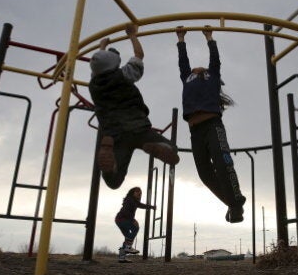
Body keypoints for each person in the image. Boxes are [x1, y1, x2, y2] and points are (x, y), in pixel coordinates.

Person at [89, 23, 180, 189]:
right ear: (114, 65)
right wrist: (132, 35)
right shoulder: (123, 75)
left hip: (114, 135)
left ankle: (112, 168)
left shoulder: (93, 84)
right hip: (138, 128)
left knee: (114, 182)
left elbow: (98, 65)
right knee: (172, 149)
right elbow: (139, 54)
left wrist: (102, 47)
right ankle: (157, 147)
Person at [175, 25, 246, 223]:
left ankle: (236, 203)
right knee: (205, 174)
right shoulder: (186, 77)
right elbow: (183, 62)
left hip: (212, 125)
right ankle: (233, 204)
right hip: (195, 131)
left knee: (222, 163)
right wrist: (181, 39)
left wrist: (209, 37)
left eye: (202, 67)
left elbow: (215, 59)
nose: (197, 67)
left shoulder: (212, 75)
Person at [114, 186, 155, 263]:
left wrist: (151, 207)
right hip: (122, 219)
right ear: (132, 193)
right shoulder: (130, 200)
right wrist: (132, 220)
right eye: (137, 191)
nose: (139, 193)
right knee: (135, 228)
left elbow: (141, 205)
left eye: (140, 192)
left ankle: (122, 258)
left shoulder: (134, 201)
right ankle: (128, 247)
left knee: (127, 238)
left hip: (120, 220)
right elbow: (126, 212)